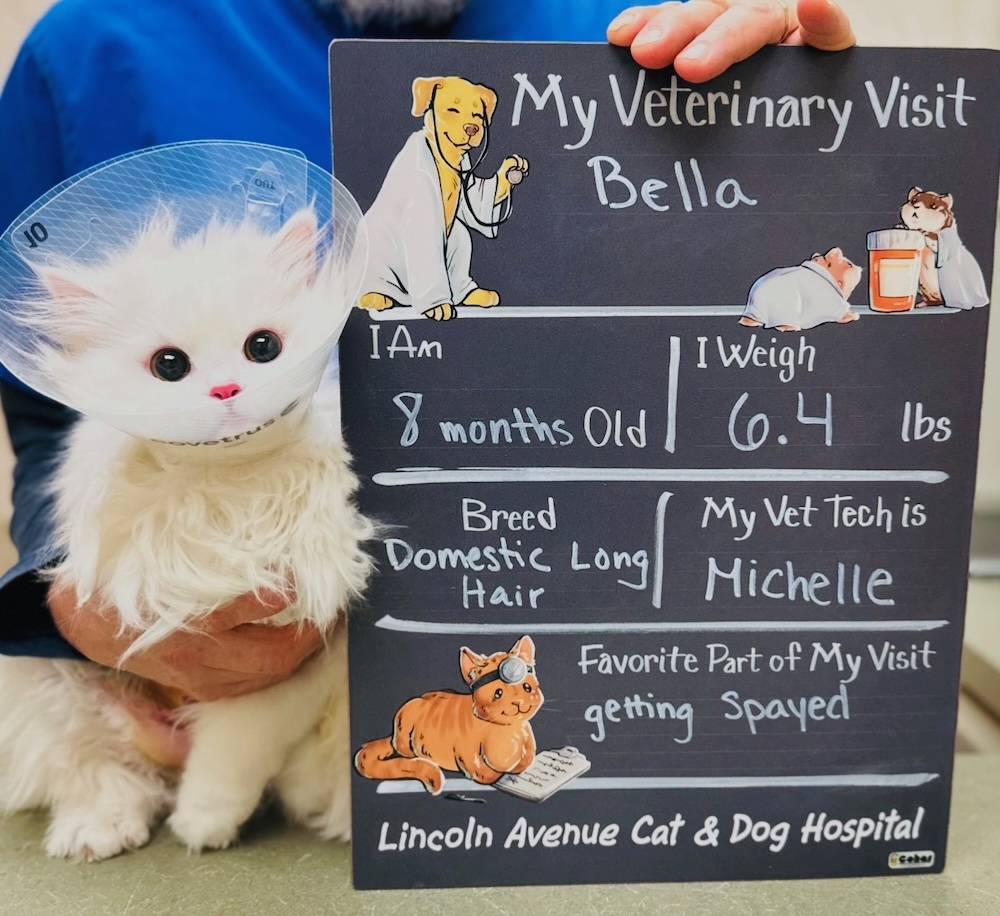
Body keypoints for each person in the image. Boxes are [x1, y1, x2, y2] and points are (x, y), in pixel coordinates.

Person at [0, 0, 855, 701]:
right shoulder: (87, 52)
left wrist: (810, 149)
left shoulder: (656, 21)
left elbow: (761, 360)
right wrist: (85, 603)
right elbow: (47, 415)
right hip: (222, 718)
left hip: (602, 675)